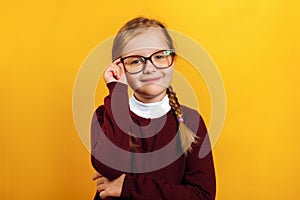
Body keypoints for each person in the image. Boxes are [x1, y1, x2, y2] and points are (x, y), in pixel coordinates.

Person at [91, 17, 216, 200]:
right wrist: (117, 91)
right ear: (119, 68)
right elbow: (110, 166)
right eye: (136, 61)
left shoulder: (190, 121)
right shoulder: (105, 115)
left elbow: (202, 196)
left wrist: (128, 187)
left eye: (159, 56)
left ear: (172, 60)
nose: (149, 68)